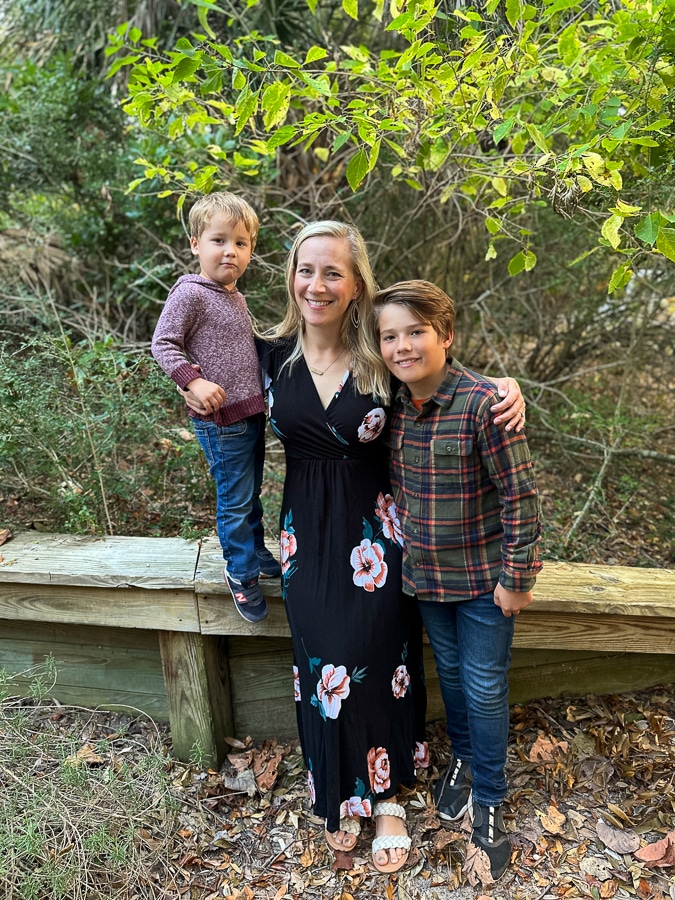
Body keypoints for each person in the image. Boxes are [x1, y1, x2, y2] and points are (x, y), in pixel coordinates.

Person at [182, 220, 526, 873]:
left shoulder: (380, 355)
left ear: (356, 283)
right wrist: (187, 384)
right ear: (291, 277)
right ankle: (338, 785)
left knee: (377, 655)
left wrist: (506, 387)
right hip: (304, 536)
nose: (317, 285)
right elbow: (198, 380)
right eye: (305, 270)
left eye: (333, 272)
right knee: (320, 661)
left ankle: (387, 795)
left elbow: (445, 382)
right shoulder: (265, 353)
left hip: (379, 534)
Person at [373, 279, 542, 883]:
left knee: (486, 686)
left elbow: (521, 496)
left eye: (416, 332)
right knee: (451, 676)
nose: (402, 346)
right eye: (389, 336)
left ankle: (490, 798)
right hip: (427, 581)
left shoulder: (483, 405)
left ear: (445, 336)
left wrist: (517, 576)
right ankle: (465, 760)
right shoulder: (393, 407)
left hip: (482, 584)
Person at [151, 192, 280, 624]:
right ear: (195, 244)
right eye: (219, 240)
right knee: (235, 499)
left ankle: (255, 550)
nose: (230, 251)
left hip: (249, 413)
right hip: (221, 420)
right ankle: (240, 571)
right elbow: (163, 343)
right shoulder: (191, 293)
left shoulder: (233, 296)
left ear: (251, 250)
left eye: (241, 243)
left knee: (250, 491)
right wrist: (192, 381)